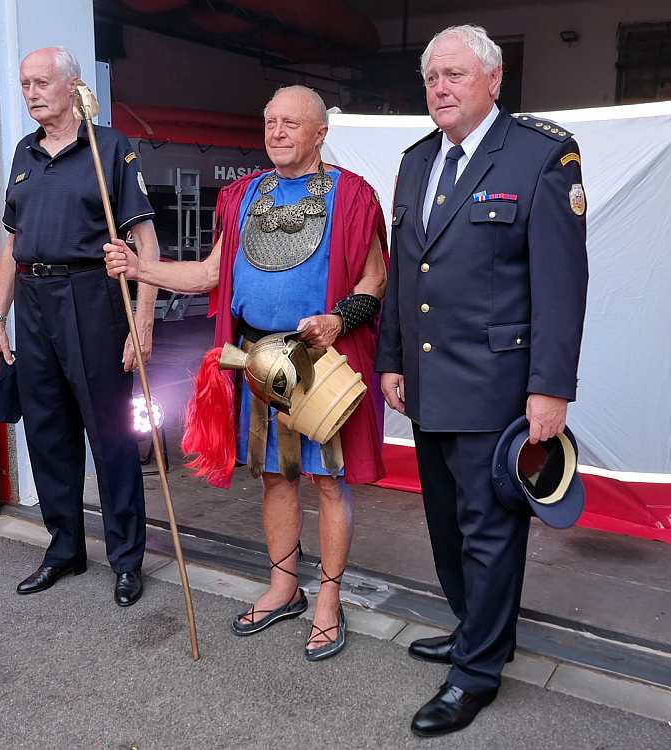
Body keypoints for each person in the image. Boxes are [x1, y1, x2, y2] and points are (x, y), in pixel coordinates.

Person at [104, 85, 388, 660]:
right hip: (257, 361)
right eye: (270, 121)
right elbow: (211, 275)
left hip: (321, 360)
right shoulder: (240, 197)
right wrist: (140, 268)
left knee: (328, 482)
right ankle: (284, 587)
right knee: (275, 478)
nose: (276, 132)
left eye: (290, 123)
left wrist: (338, 319)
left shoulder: (354, 196)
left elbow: (375, 279)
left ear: (320, 133)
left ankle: (329, 600)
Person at [376, 25, 589, 735]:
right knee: (445, 528)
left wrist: (550, 388)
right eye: (431, 77)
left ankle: (476, 674)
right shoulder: (416, 161)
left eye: (455, 75)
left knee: (490, 533)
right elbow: (407, 272)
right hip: (428, 382)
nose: (440, 88)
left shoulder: (540, 155)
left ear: (494, 80)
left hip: (497, 385)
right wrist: (391, 358)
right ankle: (478, 631)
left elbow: (562, 284)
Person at [0, 46, 160, 607]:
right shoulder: (24, 152)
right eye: (25, 84)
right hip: (34, 300)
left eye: (41, 82)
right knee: (46, 431)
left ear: (72, 86)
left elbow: (146, 244)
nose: (32, 93)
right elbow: (11, 244)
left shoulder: (110, 148)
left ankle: (126, 558)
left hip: (91, 297)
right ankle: (64, 548)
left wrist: (142, 322)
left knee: (110, 435)